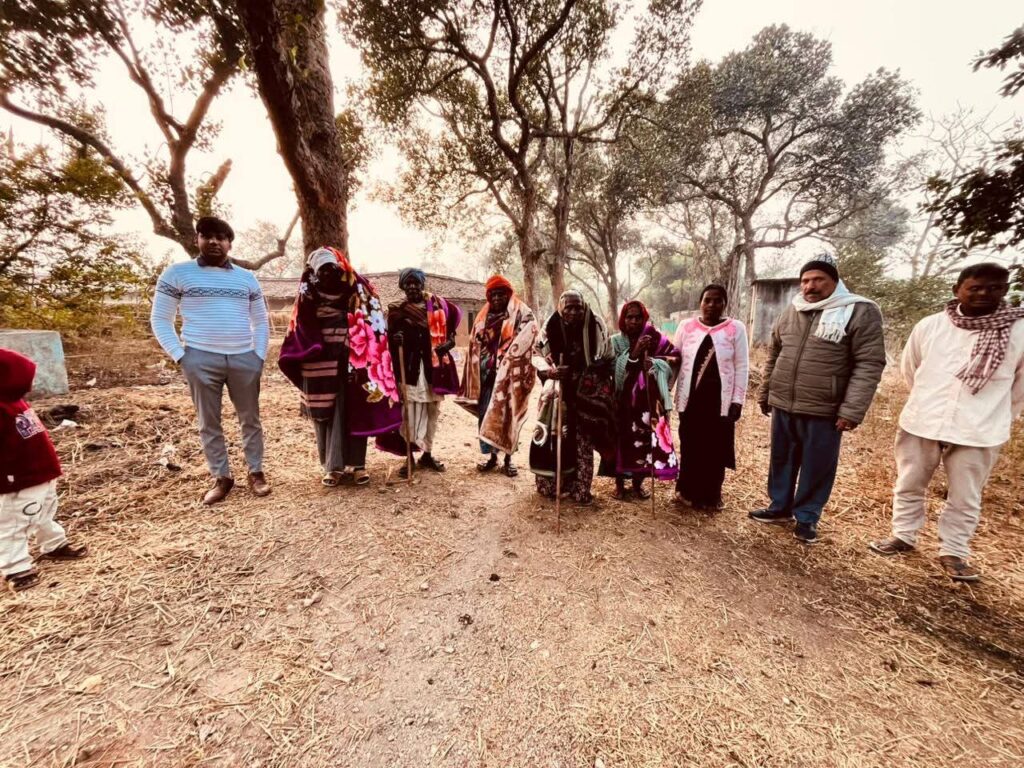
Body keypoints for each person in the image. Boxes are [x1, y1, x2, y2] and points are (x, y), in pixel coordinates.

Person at [869, 263, 1024, 582]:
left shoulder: (1018, 331)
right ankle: (903, 535)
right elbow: (911, 369)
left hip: (979, 428)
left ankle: (954, 551)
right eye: (975, 288)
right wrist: (928, 401)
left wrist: (996, 416)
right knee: (909, 482)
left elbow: (1020, 387)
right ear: (957, 290)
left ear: (1005, 290)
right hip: (923, 419)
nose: (984, 294)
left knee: (966, 496)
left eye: (994, 288)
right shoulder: (931, 326)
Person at [752, 253, 885, 543]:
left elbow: (869, 363)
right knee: (781, 458)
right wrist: (766, 391)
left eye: (818, 280)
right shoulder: (793, 310)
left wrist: (851, 410)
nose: (810, 286)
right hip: (784, 401)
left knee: (818, 464)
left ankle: (807, 517)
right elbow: (775, 353)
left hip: (825, 407)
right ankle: (779, 507)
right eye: (805, 281)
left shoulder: (858, 311)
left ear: (834, 281)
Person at [151, 216, 272, 505]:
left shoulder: (246, 278)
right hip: (200, 357)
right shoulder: (177, 274)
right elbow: (160, 319)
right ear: (198, 240)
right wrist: (182, 357)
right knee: (209, 421)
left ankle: (256, 472)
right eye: (207, 236)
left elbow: (261, 321)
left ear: (230, 243)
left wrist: (258, 356)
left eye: (221, 237)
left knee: (250, 419)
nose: (214, 241)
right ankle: (222, 477)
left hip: (244, 357)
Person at [278, 248, 403, 487]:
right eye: (322, 271)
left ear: (341, 267)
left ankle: (358, 465)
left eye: (332, 269)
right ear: (313, 273)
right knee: (326, 413)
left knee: (355, 408)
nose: (328, 274)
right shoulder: (307, 292)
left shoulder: (356, 287)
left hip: (354, 359)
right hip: (319, 361)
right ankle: (331, 467)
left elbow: (372, 316)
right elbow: (300, 326)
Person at [1, 349, 88, 592]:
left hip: (41, 472)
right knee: (15, 522)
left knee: (44, 512)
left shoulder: (12, 399)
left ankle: (54, 544)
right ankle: (15, 567)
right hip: (17, 479)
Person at [529, 290, 615, 505]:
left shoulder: (596, 325)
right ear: (561, 308)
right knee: (555, 437)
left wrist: (591, 373)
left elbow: (607, 357)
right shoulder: (550, 326)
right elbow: (536, 354)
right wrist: (551, 372)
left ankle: (580, 489)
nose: (574, 312)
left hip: (586, 395)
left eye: (578, 307)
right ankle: (552, 485)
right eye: (569, 307)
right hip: (557, 392)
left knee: (583, 441)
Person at [673, 285, 749, 510]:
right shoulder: (686, 327)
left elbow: (742, 366)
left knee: (716, 448)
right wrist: (664, 392)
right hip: (690, 400)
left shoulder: (736, 329)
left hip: (720, 402)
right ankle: (686, 492)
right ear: (700, 302)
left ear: (725, 304)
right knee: (690, 445)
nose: (711, 305)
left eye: (717, 301)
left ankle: (711, 495)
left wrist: (737, 400)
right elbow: (674, 360)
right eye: (707, 300)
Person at [456, 275, 539, 477]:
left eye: (500, 294)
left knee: (509, 417)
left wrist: (508, 359)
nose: (496, 298)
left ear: (508, 294)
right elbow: (475, 343)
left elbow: (530, 335)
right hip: (487, 375)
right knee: (487, 414)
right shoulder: (483, 316)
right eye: (492, 294)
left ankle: (508, 460)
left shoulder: (522, 312)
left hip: (511, 376)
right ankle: (492, 458)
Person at [386, 268, 462, 476]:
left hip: (433, 370)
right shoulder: (396, 311)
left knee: (432, 412)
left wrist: (448, 343)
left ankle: (427, 454)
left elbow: (451, 334)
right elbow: (388, 339)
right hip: (409, 370)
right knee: (408, 413)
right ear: (403, 286)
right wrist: (395, 340)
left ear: (422, 284)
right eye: (408, 284)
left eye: (416, 283)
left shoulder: (439, 306)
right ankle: (409, 457)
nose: (412, 287)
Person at [607, 300, 679, 500]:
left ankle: (638, 485)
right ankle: (619, 485)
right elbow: (614, 370)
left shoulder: (654, 338)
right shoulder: (615, 342)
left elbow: (675, 357)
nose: (634, 321)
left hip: (647, 404)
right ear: (623, 319)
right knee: (621, 443)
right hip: (622, 403)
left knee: (644, 444)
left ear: (644, 318)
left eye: (638, 317)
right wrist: (635, 353)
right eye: (629, 317)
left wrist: (656, 364)